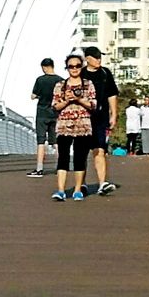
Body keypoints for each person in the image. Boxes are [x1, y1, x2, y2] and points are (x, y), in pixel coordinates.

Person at [51, 54, 99, 200]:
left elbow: (93, 105)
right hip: (64, 126)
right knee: (63, 158)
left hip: (83, 127)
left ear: (82, 66)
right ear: (67, 68)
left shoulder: (88, 84)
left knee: (80, 158)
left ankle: (78, 190)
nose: (74, 69)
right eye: (71, 66)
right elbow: (55, 106)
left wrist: (79, 99)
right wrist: (67, 100)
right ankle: (61, 190)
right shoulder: (60, 85)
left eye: (77, 66)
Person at [82, 46, 121, 194]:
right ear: (87, 59)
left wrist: (114, 114)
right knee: (83, 151)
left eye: (100, 57)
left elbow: (112, 94)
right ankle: (82, 183)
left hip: (100, 117)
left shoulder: (105, 73)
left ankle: (102, 183)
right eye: (95, 57)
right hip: (83, 118)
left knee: (100, 150)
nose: (99, 60)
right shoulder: (81, 73)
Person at [26, 56, 61, 175]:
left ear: (44, 67)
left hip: (42, 113)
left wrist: (38, 96)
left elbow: (33, 95)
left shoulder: (40, 80)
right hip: (56, 113)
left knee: (41, 141)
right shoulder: (60, 80)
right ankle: (60, 166)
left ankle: (39, 168)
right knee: (56, 141)